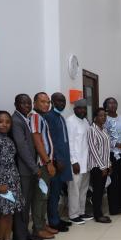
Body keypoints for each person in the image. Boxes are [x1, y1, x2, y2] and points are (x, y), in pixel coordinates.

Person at [0, 111, 24, 240]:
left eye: (7, 122)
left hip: (13, 181)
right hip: (1, 183)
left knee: (10, 214)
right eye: (0, 121)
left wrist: (15, 181)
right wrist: (0, 182)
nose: (4, 124)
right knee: (3, 215)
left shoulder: (9, 140)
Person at [11, 94, 42, 240]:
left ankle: (24, 233)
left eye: (29, 103)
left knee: (27, 203)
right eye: (23, 103)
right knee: (22, 204)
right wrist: (34, 168)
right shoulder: (16, 121)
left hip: (28, 169)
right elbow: (22, 147)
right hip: (24, 170)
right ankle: (19, 238)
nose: (27, 106)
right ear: (16, 104)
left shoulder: (26, 118)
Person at [29, 92, 57, 239]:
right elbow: (37, 140)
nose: (46, 104)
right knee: (40, 196)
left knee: (44, 195)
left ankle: (43, 224)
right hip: (42, 164)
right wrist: (47, 162)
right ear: (35, 103)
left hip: (46, 162)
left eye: (48, 102)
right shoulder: (35, 117)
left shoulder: (41, 118)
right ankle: (38, 228)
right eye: (42, 102)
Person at [44, 92, 72, 232]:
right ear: (53, 102)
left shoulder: (60, 117)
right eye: (59, 101)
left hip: (63, 161)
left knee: (58, 192)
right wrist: (56, 159)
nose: (62, 103)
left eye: (64, 101)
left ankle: (56, 218)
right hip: (56, 163)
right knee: (54, 192)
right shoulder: (49, 117)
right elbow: (51, 141)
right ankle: (53, 222)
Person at [66, 99, 93, 224]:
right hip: (76, 163)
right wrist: (73, 161)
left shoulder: (85, 122)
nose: (83, 111)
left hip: (86, 161)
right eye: (80, 108)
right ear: (74, 109)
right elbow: (70, 143)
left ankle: (81, 212)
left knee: (83, 189)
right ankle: (73, 214)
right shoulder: (70, 121)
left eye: (84, 109)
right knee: (74, 189)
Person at [104, 97, 121, 215]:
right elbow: (104, 137)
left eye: (114, 103)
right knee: (113, 182)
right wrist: (117, 144)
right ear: (106, 106)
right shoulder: (104, 119)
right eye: (110, 103)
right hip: (111, 154)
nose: (113, 105)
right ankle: (114, 208)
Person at [88, 108, 112, 224]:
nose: (104, 117)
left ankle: (100, 212)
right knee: (97, 191)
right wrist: (102, 167)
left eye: (105, 115)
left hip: (104, 165)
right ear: (95, 117)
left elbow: (106, 150)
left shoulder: (104, 130)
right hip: (97, 167)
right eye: (101, 115)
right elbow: (93, 150)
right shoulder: (92, 130)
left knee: (101, 190)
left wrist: (109, 164)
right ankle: (98, 215)